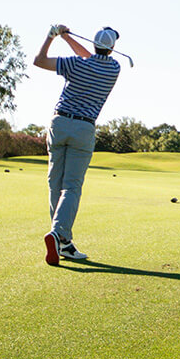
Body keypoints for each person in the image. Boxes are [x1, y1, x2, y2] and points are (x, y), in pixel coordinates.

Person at [33, 24, 121, 266]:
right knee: (71, 187)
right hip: (83, 128)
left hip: (59, 123)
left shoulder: (75, 64)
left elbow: (39, 61)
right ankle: (59, 234)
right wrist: (67, 37)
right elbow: (92, 57)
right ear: (112, 48)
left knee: (55, 183)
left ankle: (63, 242)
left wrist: (54, 36)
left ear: (94, 45)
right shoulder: (114, 68)